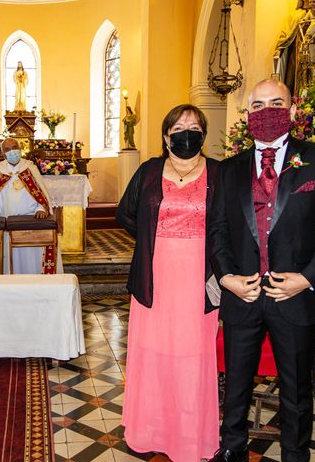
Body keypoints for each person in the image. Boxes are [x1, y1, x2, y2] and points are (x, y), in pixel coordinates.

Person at [207, 79, 315, 462]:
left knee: (296, 387)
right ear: (247, 115)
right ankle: (232, 448)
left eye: (275, 103)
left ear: (291, 110)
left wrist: (307, 278)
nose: (266, 111)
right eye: (257, 105)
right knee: (235, 384)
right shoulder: (229, 169)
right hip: (244, 294)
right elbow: (218, 229)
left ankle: (294, 454)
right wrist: (226, 278)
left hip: (297, 296)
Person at [117, 104, 221, 461]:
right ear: (166, 136)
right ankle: (149, 429)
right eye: (179, 126)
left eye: (194, 126)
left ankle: (191, 436)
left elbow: (230, 225)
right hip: (154, 273)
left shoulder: (220, 174)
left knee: (194, 353)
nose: (186, 131)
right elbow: (125, 213)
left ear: (203, 135)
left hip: (200, 276)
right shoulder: (148, 171)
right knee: (152, 350)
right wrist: (152, 238)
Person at [0, 138, 62, 275]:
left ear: (20, 148)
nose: (12, 151)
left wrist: (41, 209)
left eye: (14, 147)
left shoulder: (30, 167)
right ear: (3, 154)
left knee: (27, 260)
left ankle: (32, 283)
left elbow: (40, 193)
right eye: (7, 149)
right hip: (3, 223)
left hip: (28, 223)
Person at [273, 0, 315, 95]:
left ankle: (308, 101)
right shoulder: (295, 14)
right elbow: (286, 32)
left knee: (310, 77)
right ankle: (292, 100)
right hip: (295, 50)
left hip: (311, 50)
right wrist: (279, 47)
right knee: (291, 76)